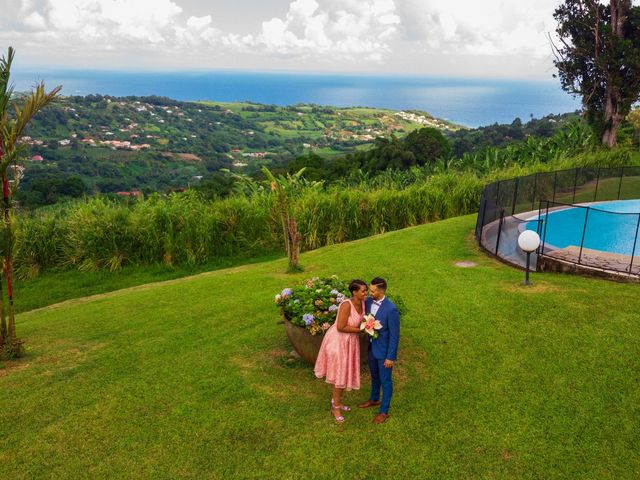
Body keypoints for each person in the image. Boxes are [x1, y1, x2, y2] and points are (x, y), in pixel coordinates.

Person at [314, 279, 368, 423]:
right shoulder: (346, 305)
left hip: (351, 342)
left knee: (344, 374)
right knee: (339, 375)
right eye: (363, 291)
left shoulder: (363, 303)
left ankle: (337, 402)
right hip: (339, 342)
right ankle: (335, 407)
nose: (365, 293)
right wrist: (361, 330)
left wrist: (368, 325)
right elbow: (340, 327)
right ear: (354, 292)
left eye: (366, 290)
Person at [358, 277, 400, 424]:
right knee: (374, 376)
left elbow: (395, 336)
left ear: (381, 291)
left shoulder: (391, 309)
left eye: (373, 290)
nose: (370, 292)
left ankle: (384, 411)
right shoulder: (369, 302)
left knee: (386, 381)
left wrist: (390, 357)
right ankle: (374, 399)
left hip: (384, 353)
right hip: (371, 348)